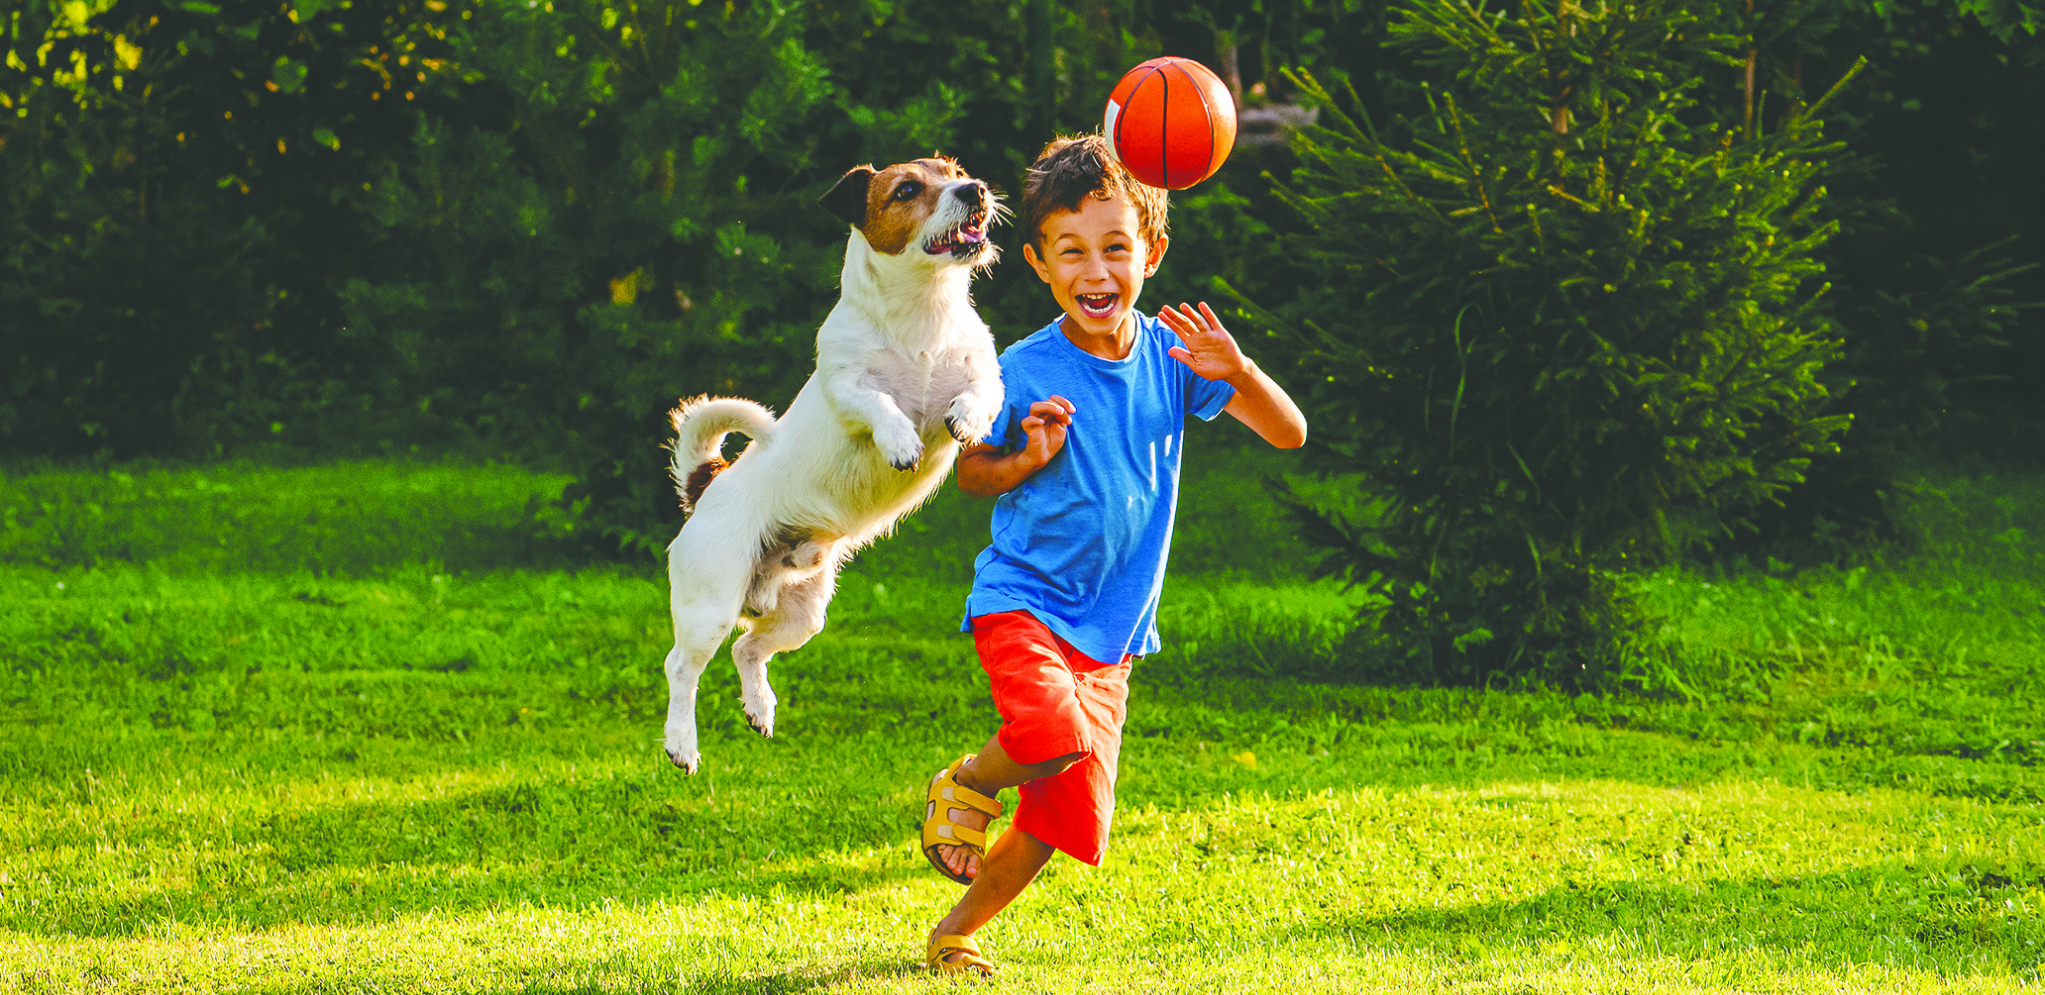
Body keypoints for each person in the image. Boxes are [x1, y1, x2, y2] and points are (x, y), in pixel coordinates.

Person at [917, 133, 1309, 975]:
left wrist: (1237, 369)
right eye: (1072, 252)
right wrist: (1024, 458)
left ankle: (956, 930)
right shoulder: (1018, 367)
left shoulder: (1176, 357)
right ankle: (968, 782)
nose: (1096, 272)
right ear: (1037, 263)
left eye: (1116, 248)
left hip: (1111, 633)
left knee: (1061, 819)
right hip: (1024, 598)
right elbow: (970, 473)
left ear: (1152, 252)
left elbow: (1288, 432)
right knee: (1048, 734)